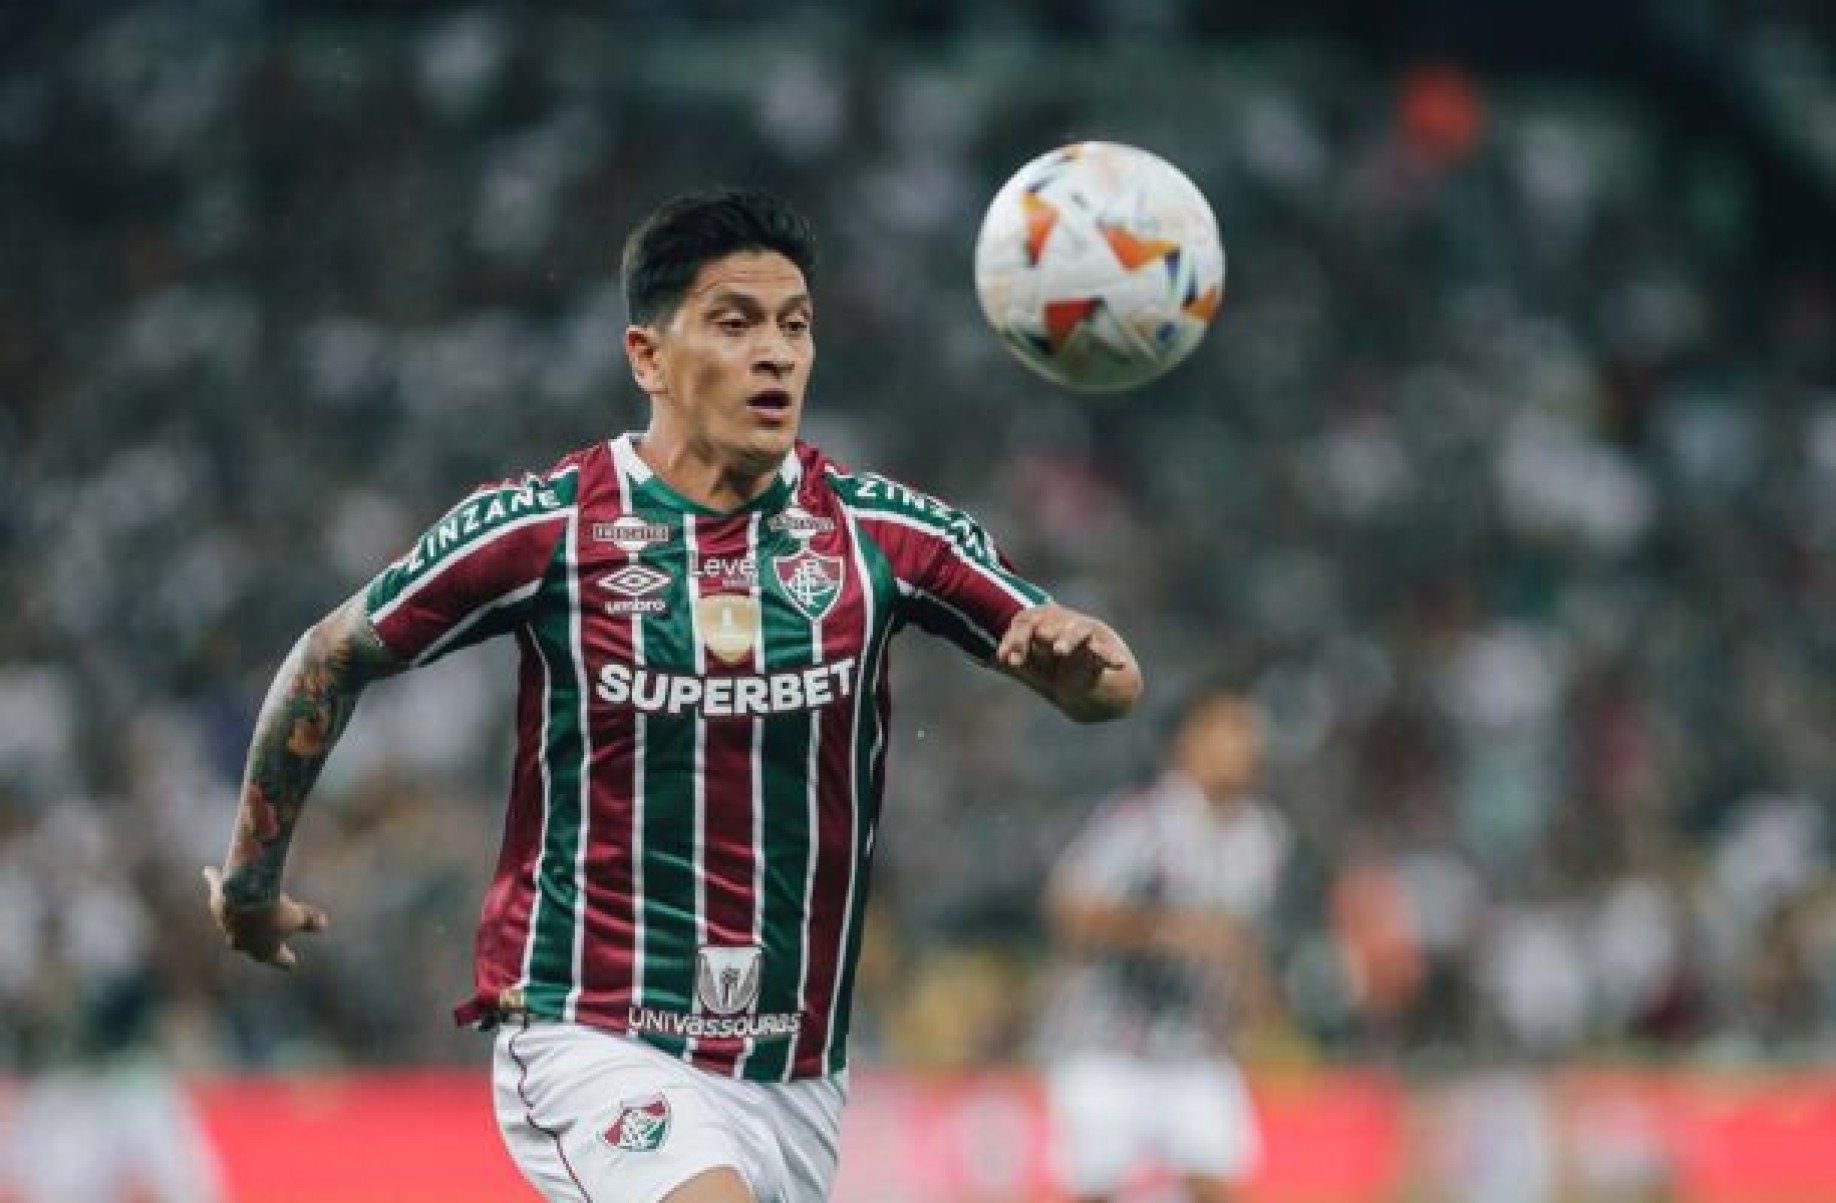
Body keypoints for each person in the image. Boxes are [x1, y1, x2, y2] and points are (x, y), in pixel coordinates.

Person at [201, 189, 1142, 1203]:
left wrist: (1085, 672)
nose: (776, 353)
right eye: (736, 323)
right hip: (595, 1028)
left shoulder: (879, 534)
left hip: (795, 1070)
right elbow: (331, 654)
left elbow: (1109, 687)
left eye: (796, 326)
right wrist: (252, 884)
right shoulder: (551, 527)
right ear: (647, 356)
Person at [1036, 683, 1285, 1203]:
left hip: (1198, 1051)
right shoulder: (1141, 821)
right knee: (1096, 1191)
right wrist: (1165, 930)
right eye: (1228, 729)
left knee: (1220, 1184)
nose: (1244, 744)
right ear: (1187, 741)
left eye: (1247, 731)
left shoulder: (1261, 837)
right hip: (1109, 1045)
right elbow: (1071, 908)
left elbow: (1238, 937)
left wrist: (1253, 987)